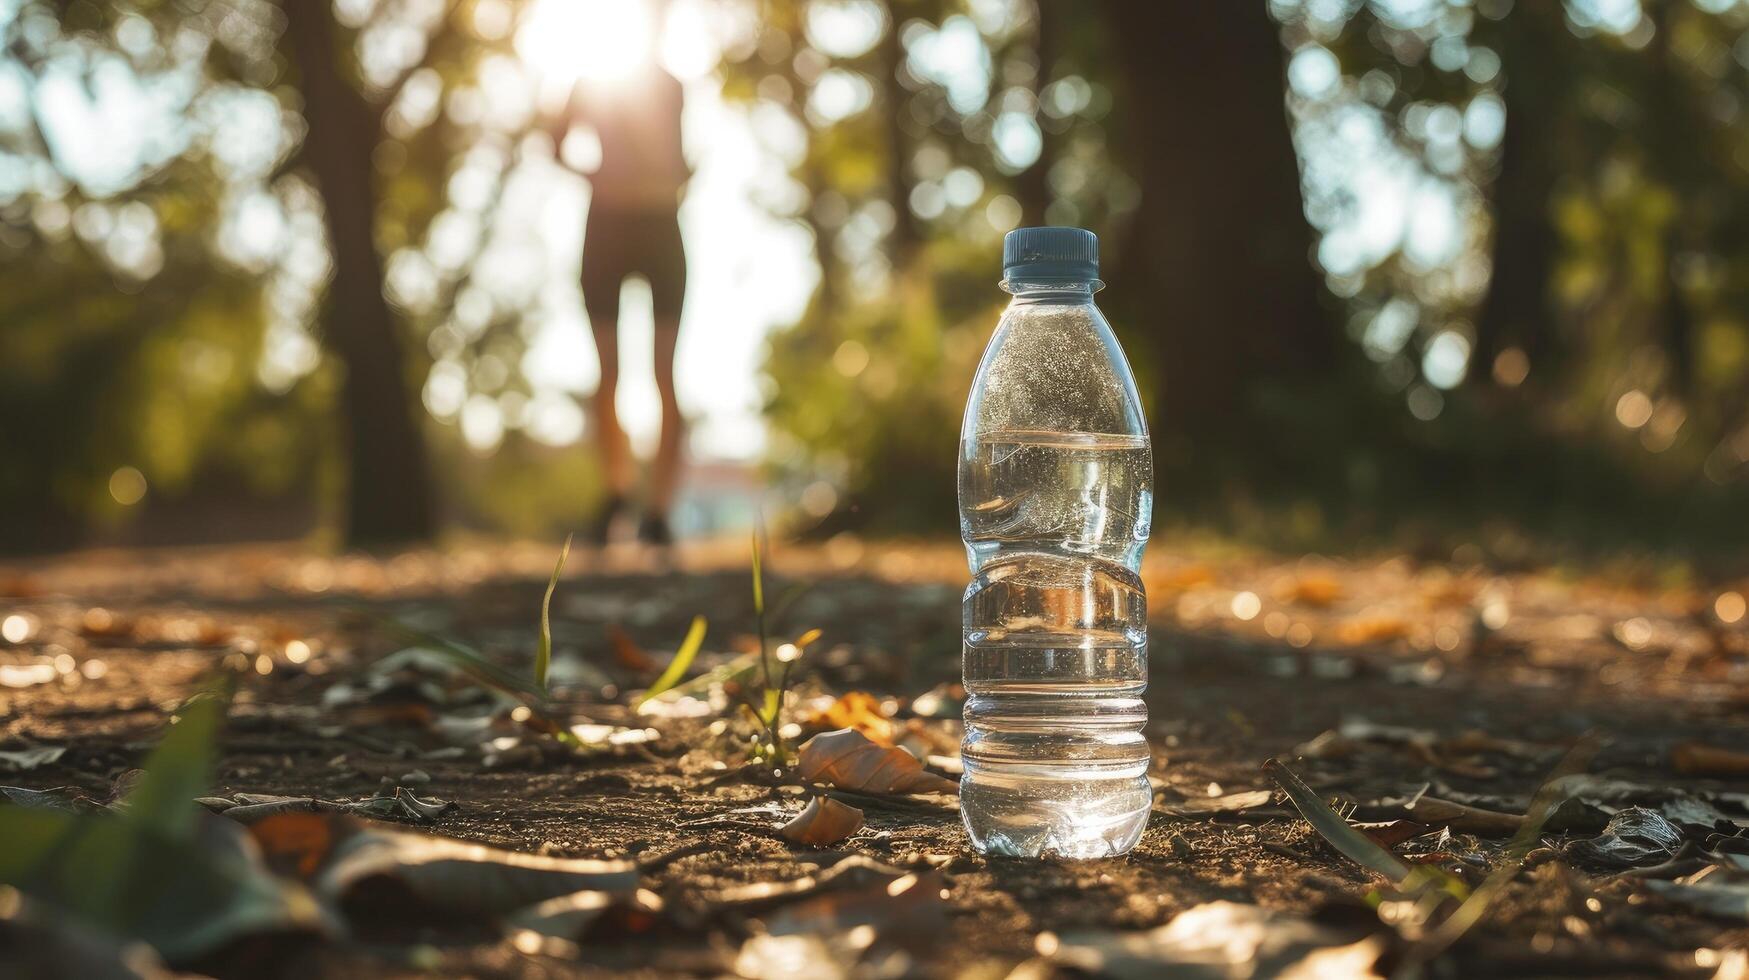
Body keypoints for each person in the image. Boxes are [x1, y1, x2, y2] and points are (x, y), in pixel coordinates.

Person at [548, 34, 690, 546]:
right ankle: (617, 492)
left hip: (660, 226)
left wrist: (677, 174)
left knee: (663, 372)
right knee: (608, 370)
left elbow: (682, 156)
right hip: (606, 227)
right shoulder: (589, 84)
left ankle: (658, 511)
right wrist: (598, 177)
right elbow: (554, 142)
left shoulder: (674, 85)